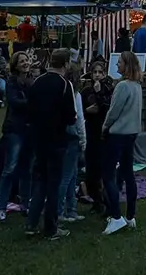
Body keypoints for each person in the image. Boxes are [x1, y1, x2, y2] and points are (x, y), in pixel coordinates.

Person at [23, 49, 78, 240]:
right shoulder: (64, 84)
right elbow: (71, 117)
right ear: (66, 64)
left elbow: (28, 109)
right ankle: (51, 227)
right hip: (57, 140)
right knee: (53, 185)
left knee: (39, 181)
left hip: (38, 138)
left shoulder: (38, 81)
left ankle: (31, 223)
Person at [101, 48, 144, 236]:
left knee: (108, 174)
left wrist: (105, 126)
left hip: (118, 134)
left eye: (119, 62)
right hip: (132, 133)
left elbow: (114, 111)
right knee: (128, 173)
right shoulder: (136, 86)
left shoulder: (123, 86)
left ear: (126, 65)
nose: (116, 65)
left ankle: (116, 216)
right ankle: (131, 215)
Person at [0, 50, 35, 222]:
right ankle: (1, 207)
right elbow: (15, 102)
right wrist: (34, 103)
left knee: (27, 168)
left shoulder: (32, 81)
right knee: (10, 168)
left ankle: (25, 203)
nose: (25, 63)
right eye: (21, 61)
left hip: (30, 129)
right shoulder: (11, 83)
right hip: (15, 129)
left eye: (27, 60)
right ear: (15, 65)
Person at [80, 56, 111, 215]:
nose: (97, 75)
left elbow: (105, 108)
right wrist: (88, 110)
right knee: (91, 171)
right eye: (95, 72)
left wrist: (99, 96)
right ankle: (96, 201)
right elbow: (83, 109)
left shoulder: (108, 89)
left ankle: (107, 202)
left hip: (103, 133)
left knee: (103, 171)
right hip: (91, 131)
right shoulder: (86, 91)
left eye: (100, 72)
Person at [61, 56, 88, 221]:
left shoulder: (61, 90)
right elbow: (79, 118)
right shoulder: (75, 93)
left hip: (62, 135)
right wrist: (83, 139)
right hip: (72, 136)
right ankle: (61, 210)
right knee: (67, 176)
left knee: (72, 175)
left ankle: (70, 209)